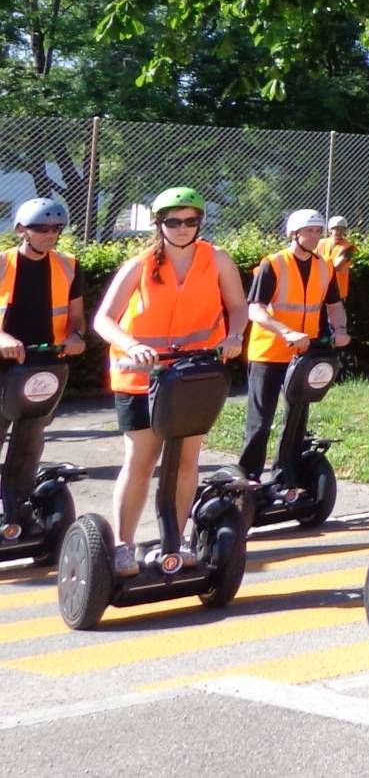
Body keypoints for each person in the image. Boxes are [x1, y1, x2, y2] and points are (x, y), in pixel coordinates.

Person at [93, 186, 247, 577]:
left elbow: (237, 308)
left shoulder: (217, 260)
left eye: (190, 220)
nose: (182, 228)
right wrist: (131, 345)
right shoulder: (140, 266)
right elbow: (103, 320)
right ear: (159, 224)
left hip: (194, 375)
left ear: (200, 223)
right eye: (173, 221)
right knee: (141, 461)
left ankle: (175, 542)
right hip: (140, 377)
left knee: (186, 461)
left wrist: (234, 337)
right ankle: (124, 546)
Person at [238, 209, 350, 481]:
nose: (314, 236)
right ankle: (248, 475)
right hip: (269, 352)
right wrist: (285, 331)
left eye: (317, 231)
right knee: (261, 421)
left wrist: (341, 330)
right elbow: (255, 311)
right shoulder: (273, 264)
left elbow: (334, 306)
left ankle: (285, 473)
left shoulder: (324, 267)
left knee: (296, 418)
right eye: (309, 231)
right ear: (294, 233)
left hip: (303, 354)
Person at [0, 197, 86, 537]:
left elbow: (77, 319)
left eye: (55, 228)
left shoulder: (68, 265)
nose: (50, 234)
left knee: (31, 438)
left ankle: (16, 511)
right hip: (3, 366)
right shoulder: (3, 264)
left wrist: (77, 337)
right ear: (22, 230)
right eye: (41, 228)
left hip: (44, 367)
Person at [315, 215, 356, 334]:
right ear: (330, 230)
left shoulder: (348, 248)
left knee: (335, 322)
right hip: (319, 287)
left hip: (338, 290)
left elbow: (337, 266)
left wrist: (319, 266)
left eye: (342, 228)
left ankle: (336, 345)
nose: (338, 231)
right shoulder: (320, 243)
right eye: (335, 228)